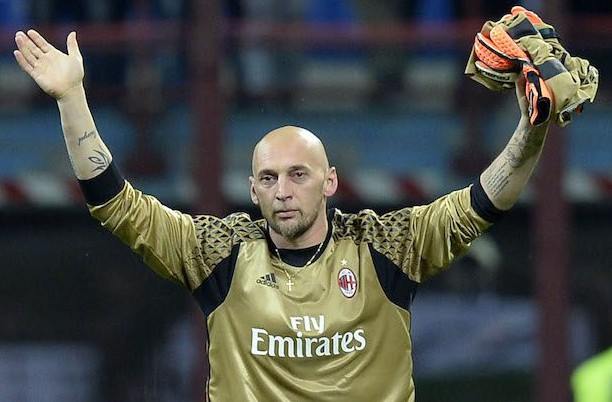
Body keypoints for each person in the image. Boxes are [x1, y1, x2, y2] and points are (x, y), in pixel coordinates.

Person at [13, 29, 551, 401]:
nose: (283, 191)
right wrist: (72, 98)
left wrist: (531, 132)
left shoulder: (385, 245)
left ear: (330, 182)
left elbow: (481, 204)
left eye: (298, 174)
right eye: (268, 179)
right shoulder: (218, 253)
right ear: (252, 190)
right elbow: (116, 204)